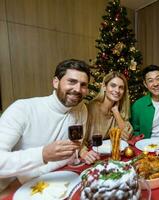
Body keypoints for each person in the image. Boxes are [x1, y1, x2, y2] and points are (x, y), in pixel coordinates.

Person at [0, 59, 90, 192]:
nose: (77, 89)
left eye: (83, 85)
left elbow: (71, 153)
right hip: (10, 188)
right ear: (56, 82)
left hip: (50, 182)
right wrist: (42, 154)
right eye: (71, 81)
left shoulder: (81, 109)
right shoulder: (22, 109)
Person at [80, 71, 133, 164]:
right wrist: (83, 152)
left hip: (110, 157)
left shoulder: (118, 109)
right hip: (92, 156)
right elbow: (81, 140)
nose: (117, 90)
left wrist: (116, 111)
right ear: (104, 87)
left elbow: (126, 136)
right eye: (113, 85)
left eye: (121, 88)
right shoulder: (92, 108)